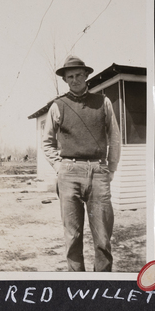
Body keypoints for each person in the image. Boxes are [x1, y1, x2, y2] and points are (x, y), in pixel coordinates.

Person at [42, 56, 121, 272]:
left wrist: (111, 168)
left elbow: (114, 137)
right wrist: (60, 168)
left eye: (78, 75)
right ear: (65, 80)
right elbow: (47, 142)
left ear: (86, 76)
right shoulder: (58, 106)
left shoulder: (103, 102)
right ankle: (77, 283)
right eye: (70, 77)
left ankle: (102, 283)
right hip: (69, 173)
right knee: (72, 237)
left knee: (103, 238)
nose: (75, 80)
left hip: (98, 172)